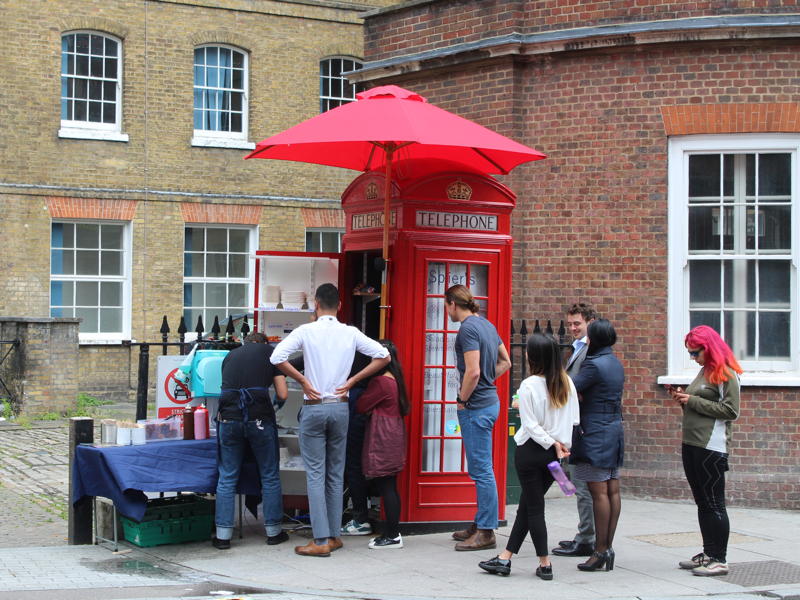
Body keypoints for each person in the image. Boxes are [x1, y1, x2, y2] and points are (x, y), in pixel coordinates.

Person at [270, 283, 390, 557]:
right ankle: (334, 536)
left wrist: (301, 379)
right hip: (341, 407)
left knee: (315, 474)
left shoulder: (306, 331)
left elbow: (276, 356)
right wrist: (353, 380)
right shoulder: (350, 332)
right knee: (336, 474)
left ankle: (321, 539)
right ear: (339, 305)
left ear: (315, 303)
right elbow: (383, 355)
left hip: (314, 407)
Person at [479, 333, 579, 579]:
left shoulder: (528, 385)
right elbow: (574, 420)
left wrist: (551, 442)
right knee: (527, 505)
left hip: (531, 453)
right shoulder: (567, 382)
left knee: (534, 509)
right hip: (554, 456)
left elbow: (532, 426)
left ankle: (545, 564)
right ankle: (505, 558)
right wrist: (561, 444)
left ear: (533, 356)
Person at [668, 325, 742, 577]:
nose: (692, 357)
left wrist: (694, 400)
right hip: (692, 443)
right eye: (689, 353)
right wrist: (682, 398)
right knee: (702, 502)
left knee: (714, 503)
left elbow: (731, 411)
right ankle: (709, 553)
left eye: (695, 352)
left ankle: (719, 559)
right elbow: (701, 406)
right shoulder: (704, 370)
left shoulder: (726, 374)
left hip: (711, 447)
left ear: (708, 349)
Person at [445, 284, 511, 551]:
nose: (446, 311)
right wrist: (487, 381)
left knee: (482, 470)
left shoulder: (468, 329)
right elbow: (505, 361)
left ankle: (486, 531)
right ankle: (480, 520)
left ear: (452, 303)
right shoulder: (487, 325)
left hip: (476, 407)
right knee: (481, 468)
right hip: (490, 403)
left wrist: (462, 399)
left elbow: (472, 372)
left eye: (446, 305)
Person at [212, 331, 289, 550]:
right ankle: (274, 532)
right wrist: (275, 399)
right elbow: (283, 393)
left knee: (227, 476)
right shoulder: (270, 353)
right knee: (269, 475)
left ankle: (223, 536)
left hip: (228, 419)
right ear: (264, 343)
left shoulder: (230, 355)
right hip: (259, 419)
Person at [569, 318, 624, 572]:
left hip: (594, 431)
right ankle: (607, 547)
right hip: (613, 429)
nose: (586, 339)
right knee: (612, 489)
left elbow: (570, 389)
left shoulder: (593, 364)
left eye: (589, 335)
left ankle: (600, 550)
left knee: (598, 492)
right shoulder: (614, 362)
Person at [553, 302, 598, 558]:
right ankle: (585, 534)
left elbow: (578, 387)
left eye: (577, 324)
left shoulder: (590, 351)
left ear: (590, 321)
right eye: (569, 324)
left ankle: (587, 539)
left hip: (582, 426)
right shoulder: (577, 348)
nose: (572, 328)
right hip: (574, 423)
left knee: (582, 485)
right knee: (578, 482)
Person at [356, 340, 409, 549]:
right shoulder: (395, 379)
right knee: (390, 486)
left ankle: (393, 535)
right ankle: (391, 533)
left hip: (383, 437)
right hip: (394, 434)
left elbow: (361, 405)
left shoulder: (380, 382)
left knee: (387, 486)